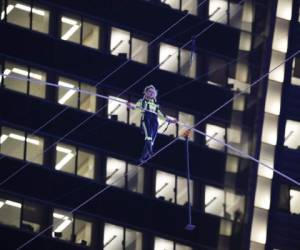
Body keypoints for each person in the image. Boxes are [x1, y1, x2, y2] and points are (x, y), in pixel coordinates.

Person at [128, 85, 177, 162]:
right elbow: (136, 107)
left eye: (153, 92)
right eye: (149, 92)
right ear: (146, 93)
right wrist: (131, 106)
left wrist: (171, 120)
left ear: (155, 94)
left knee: (151, 142)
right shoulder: (142, 101)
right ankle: (151, 153)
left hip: (154, 121)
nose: (151, 93)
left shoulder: (156, 105)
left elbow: (162, 115)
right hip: (146, 118)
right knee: (148, 137)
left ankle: (143, 157)